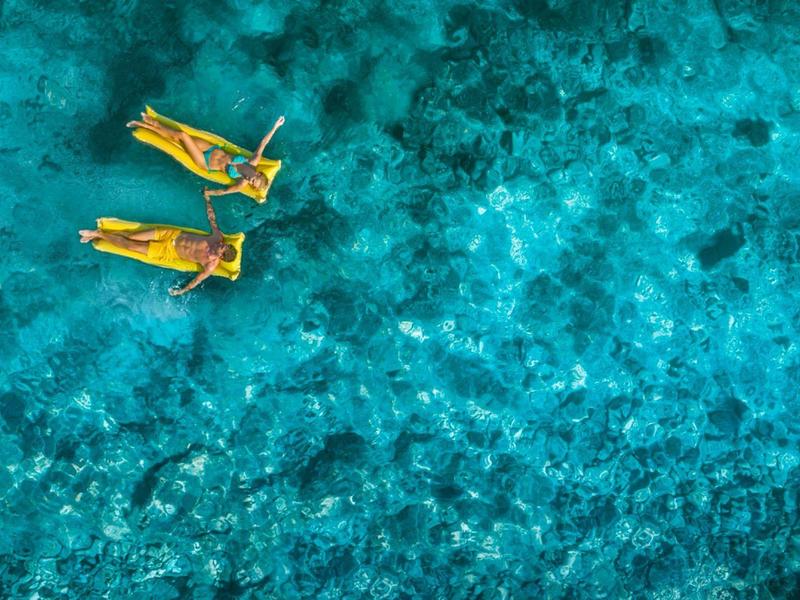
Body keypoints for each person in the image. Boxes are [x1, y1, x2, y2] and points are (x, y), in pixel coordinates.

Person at [79, 193, 236, 296]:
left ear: (221, 256)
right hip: (170, 234)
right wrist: (207, 199)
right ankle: (99, 233)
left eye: (220, 248)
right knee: (132, 236)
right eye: (222, 244)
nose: (218, 245)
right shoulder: (217, 237)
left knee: (131, 246)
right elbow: (212, 219)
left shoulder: (210, 264)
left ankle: (98, 234)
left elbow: (197, 280)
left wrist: (181, 291)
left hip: (168, 252)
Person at [126, 113, 285, 197]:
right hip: (211, 148)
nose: (251, 181)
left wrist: (209, 193)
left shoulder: (241, 183)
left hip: (205, 162)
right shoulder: (253, 161)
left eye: (253, 184)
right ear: (257, 173)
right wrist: (276, 126)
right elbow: (263, 142)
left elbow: (224, 191)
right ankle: (150, 124)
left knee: (182, 136)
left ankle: (145, 124)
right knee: (177, 138)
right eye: (255, 180)